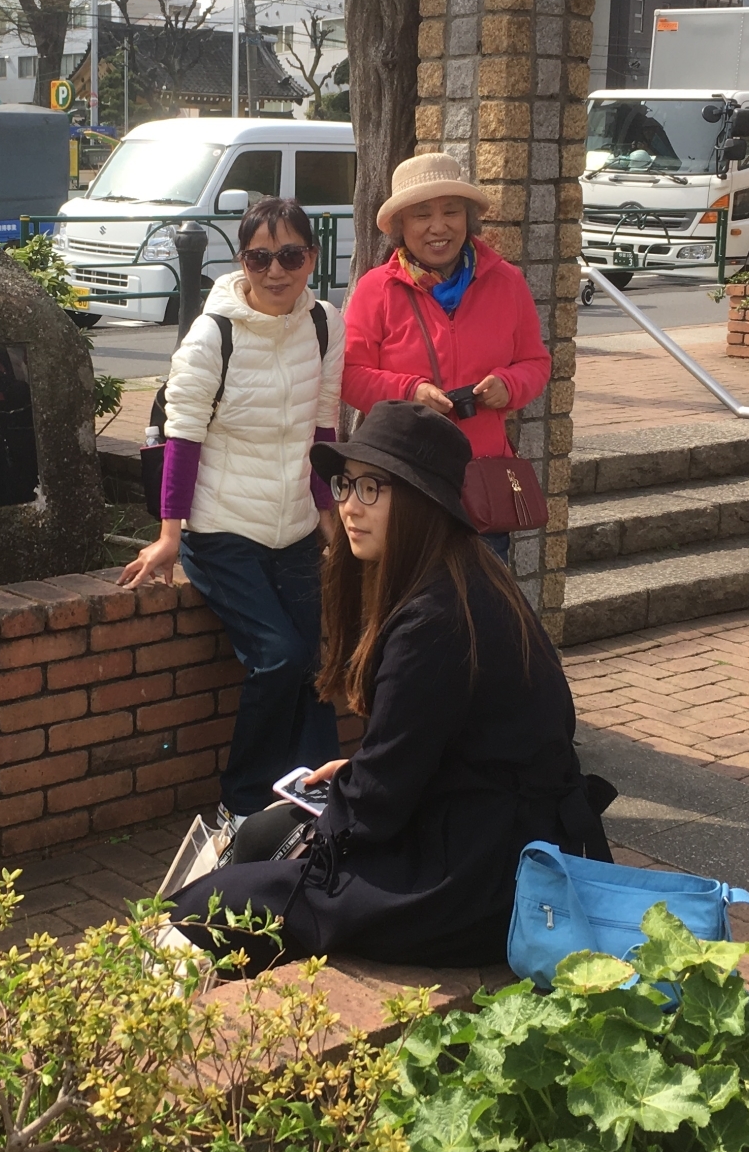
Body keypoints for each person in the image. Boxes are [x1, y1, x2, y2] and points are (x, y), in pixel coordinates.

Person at [168, 400, 613, 970]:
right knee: (263, 837)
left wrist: (326, 829)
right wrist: (352, 777)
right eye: (346, 484)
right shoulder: (467, 575)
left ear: (424, 502)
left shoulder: (436, 619)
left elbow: (379, 805)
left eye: (373, 488)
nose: (349, 506)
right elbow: (435, 752)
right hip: (496, 835)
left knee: (213, 902)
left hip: (482, 878)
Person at [120, 196, 346, 829]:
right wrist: (170, 535)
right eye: (259, 257)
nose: (276, 272)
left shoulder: (326, 323)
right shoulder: (213, 332)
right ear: (242, 260)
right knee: (278, 657)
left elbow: (323, 426)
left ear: (312, 258)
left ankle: (313, 798)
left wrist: (329, 518)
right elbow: (182, 436)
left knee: (318, 661)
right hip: (222, 532)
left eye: (292, 256)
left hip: (295, 526)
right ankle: (242, 802)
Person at [342, 152, 551, 562]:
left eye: (451, 212)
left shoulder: (507, 282)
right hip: (403, 484)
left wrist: (508, 386)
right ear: (402, 226)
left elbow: (536, 363)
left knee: (481, 610)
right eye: (421, 215)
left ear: (468, 219)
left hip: (480, 482)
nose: (438, 227)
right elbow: (350, 375)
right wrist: (409, 391)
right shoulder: (376, 289)